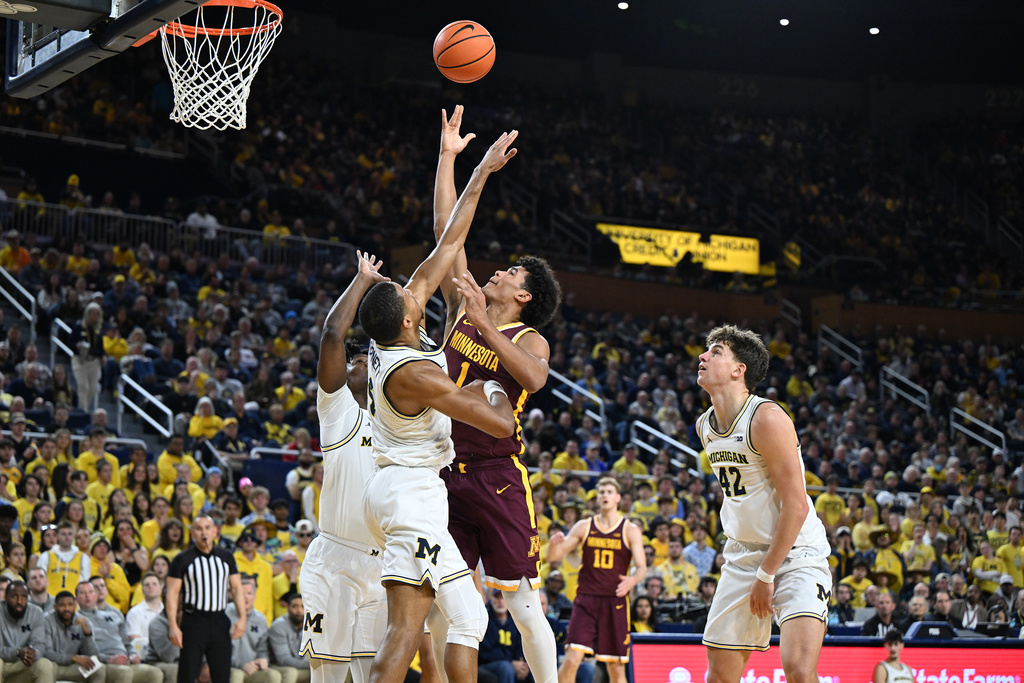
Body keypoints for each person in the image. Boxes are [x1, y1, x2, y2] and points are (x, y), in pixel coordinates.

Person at [357, 121, 520, 683]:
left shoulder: (396, 329)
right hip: (408, 493)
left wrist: (467, 166)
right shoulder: (417, 374)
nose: (415, 286)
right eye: (409, 292)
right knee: (407, 627)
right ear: (407, 317)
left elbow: (448, 241)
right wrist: (495, 392)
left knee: (468, 617)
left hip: (408, 487)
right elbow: (493, 422)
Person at [431, 105, 563, 683]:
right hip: (443, 467)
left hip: (497, 473)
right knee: (445, 600)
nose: (499, 272)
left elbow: (534, 381)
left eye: (511, 272)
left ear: (525, 296)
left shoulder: (528, 337)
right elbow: (447, 231)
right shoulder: (467, 305)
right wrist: (454, 160)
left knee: (522, 601)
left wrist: (485, 326)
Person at [694, 325, 832, 683]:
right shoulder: (704, 426)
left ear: (739, 370)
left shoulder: (767, 418)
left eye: (716, 352)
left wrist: (766, 574)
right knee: (719, 677)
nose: (702, 356)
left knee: (799, 671)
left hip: (796, 553)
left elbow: (797, 506)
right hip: (743, 555)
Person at [297, 253, 385, 683]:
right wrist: (362, 281)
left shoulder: (399, 422)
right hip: (335, 559)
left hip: (383, 565)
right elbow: (333, 334)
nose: (365, 363)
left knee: (376, 675)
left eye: (372, 358)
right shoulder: (339, 412)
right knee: (327, 677)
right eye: (358, 359)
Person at [547, 477, 645, 683]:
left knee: (616, 667)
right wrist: (555, 545)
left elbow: (642, 567)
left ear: (618, 497)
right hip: (586, 600)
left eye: (609, 492)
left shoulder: (630, 529)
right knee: (572, 659)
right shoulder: (584, 526)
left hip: (615, 602)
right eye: (601, 492)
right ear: (596, 498)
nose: (605, 495)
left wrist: (632, 580)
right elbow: (555, 557)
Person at [166, 515, 247, 683]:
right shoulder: (182, 559)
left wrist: (243, 617)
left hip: (219, 620)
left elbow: (237, 588)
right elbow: (173, 593)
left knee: (222, 675)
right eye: (199, 528)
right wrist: (173, 625)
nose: (204, 532)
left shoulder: (226, 557)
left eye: (207, 528)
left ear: (215, 531)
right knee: (187, 674)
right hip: (194, 621)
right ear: (192, 533)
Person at [42, 589, 105, 683]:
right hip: (53, 666)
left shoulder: (84, 622)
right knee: (47, 667)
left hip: (72, 667)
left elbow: (93, 655)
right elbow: (46, 653)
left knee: (99, 669)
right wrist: (73, 658)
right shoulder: (46, 620)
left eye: (70, 605)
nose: (67, 608)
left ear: (75, 606)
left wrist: (87, 634)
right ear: (55, 607)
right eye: (62, 605)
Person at [0, 580, 55, 682]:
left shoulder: (36, 612)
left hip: (22, 664)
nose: (19, 602)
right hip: (3, 663)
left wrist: (33, 654)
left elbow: (39, 644)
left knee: (45, 665)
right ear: (5, 598)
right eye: (14, 597)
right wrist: (16, 652)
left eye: (24, 597)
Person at [227, 578, 279, 683]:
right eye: (241, 593)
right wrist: (241, 664)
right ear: (234, 595)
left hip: (252, 668)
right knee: (236, 675)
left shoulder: (260, 619)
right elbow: (217, 650)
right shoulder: (225, 614)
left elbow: (262, 649)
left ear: (254, 597)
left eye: (249, 593)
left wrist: (263, 660)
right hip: (229, 666)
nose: (245, 597)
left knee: (273, 676)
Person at [37, 521, 91, 596]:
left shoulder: (83, 558)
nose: (67, 537)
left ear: (74, 536)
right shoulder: (46, 556)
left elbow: (84, 583)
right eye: (63, 534)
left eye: (70, 534)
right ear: (58, 536)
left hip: (74, 602)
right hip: (51, 601)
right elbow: (40, 581)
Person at [269, 593, 310, 683]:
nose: (299, 610)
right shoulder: (279, 626)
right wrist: (308, 665)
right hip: (276, 665)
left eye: (303, 606)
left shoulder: (310, 625)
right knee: (291, 672)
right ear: (287, 608)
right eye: (295, 606)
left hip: (301, 663)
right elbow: (283, 659)